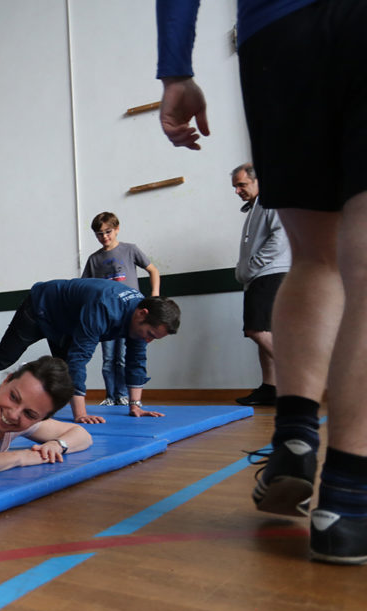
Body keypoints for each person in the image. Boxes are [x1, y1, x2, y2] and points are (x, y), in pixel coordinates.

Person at [156, 0, 367, 564]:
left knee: (314, 261)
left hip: (278, 34)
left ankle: (294, 438)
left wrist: (175, 69)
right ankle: (346, 502)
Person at [0, 279, 180, 424]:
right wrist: (81, 414)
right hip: (40, 308)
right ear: (142, 314)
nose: (148, 340)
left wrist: (135, 406)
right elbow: (80, 356)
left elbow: (136, 359)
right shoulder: (105, 307)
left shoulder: (141, 322)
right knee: (4, 357)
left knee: (62, 371)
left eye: (154, 337)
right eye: (150, 334)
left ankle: (42, 408)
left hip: (67, 324)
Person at [81, 211, 161, 407]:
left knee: (124, 357)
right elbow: (84, 286)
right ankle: (111, 395)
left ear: (116, 229)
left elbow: (153, 270)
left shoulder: (130, 250)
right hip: (107, 317)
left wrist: (154, 296)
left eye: (108, 232)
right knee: (109, 358)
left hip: (131, 314)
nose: (104, 237)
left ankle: (123, 394)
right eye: (99, 234)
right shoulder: (94, 259)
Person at [230, 163, 290, 407]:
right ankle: (270, 388)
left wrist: (252, 266)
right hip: (258, 277)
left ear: (258, 181)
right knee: (265, 331)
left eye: (241, 185)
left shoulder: (271, 202)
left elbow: (280, 239)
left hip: (270, 275)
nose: (237, 190)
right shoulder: (256, 206)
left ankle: (298, 378)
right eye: (235, 186)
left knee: (257, 330)